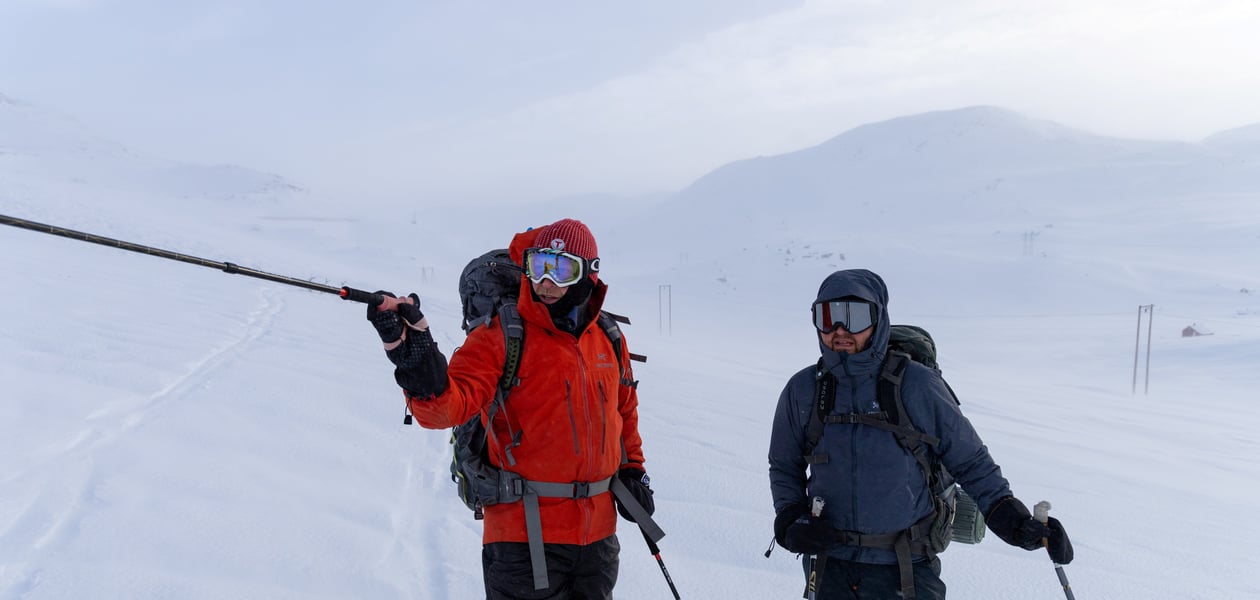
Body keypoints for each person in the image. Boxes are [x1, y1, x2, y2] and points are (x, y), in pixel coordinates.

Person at [366, 218, 655, 600]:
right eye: (538, 266)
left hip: (598, 542)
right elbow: (445, 409)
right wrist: (418, 365)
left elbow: (624, 410)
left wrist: (633, 469)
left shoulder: (608, 337)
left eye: (561, 269)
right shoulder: (502, 335)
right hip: (523, 541)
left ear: (589, 273)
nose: (545, 281)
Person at [768, 269, 1073, 599]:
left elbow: (972, 463)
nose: (840, 330)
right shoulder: (804, 389)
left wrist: (1016, 523)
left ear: (878, 319)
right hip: (829, 567)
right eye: (827, 317)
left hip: (905, 569)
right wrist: (790, 518)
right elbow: (784, 466)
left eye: (855, 317)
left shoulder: (917, 385)